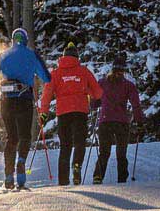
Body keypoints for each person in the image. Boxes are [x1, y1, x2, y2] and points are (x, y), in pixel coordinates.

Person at [0, 28, 51, 190]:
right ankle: (21, 163)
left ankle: (8, 176)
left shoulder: (4, 55)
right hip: (24, 100)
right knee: (25, 136)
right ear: (26, 39)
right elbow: (47, 78)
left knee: (11, 138)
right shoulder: (31, 55)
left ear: (13, 40)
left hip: (6, 101)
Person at [38, 42, 102, 185]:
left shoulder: (55, 73)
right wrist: (92, 96)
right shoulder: (84, 71)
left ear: (63, 56)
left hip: (63, 113)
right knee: (79, 142)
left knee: (65, 146)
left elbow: (47, 94)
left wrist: (43, 113)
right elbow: (97, 92)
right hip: (80, 112)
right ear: (76, 57)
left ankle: (63, 181)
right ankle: (77, 165)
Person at [93, 53, 144, 185]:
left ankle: (98, 177)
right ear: (123, 70)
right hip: (121, 122)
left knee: (104, 152)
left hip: (105, 121)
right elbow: (136, 105)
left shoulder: (102, 83)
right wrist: (139, 122)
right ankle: (122, 179)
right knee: (121, 153)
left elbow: (94, 102)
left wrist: (96, 104)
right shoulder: (128, 85)